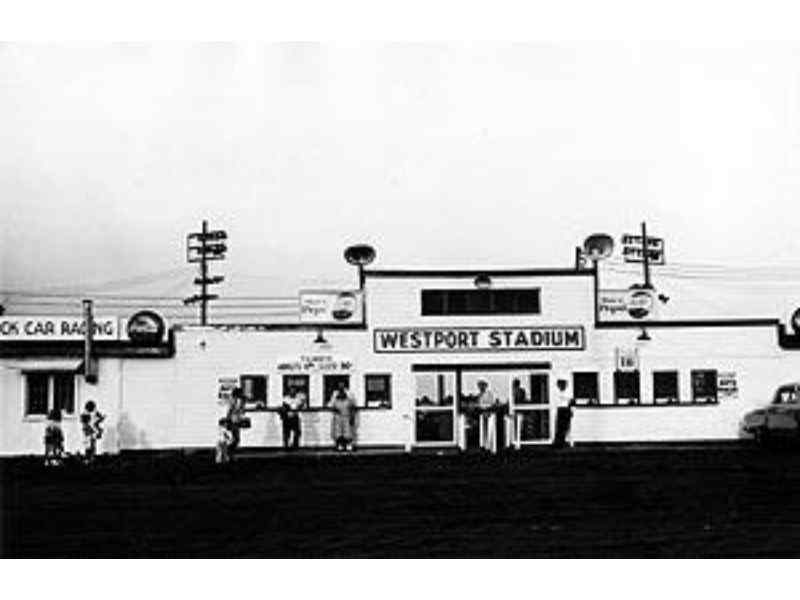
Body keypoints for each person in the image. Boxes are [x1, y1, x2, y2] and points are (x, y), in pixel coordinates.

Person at [330, 381, 357, 452]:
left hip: (347, 415)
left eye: (342, 385)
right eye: (339, 385)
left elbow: (353, 407)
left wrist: (352, 416)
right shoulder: (334, 395)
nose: (341, 387)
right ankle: (340, 445)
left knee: (348, 431)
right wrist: (335, 410)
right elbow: (332, 406)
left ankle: (349, 445)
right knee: (338, 432)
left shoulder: (350, 395)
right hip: (338, 416)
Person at [476, 379, 497, 452]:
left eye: (482, 386)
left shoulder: (489, 394)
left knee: (489, 431)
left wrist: (486, 408)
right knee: (483, 431)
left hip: (489, 414)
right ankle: (483, 445)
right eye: (479, 386)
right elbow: (479, 405)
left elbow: (492, 404)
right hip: (482, 415)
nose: (480, 387)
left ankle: (489, 447)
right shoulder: (479, 395)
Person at [553, 379, 575, 448]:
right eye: (559, 385)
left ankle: (561, 442)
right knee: (559, 427)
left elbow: (572, 402)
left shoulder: (568, 393)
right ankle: (558, 442)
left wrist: (571, 410)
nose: (561, 386)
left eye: (562, 384)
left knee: (564, 427)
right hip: (560, 409)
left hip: (565, 409)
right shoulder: (557, 392)